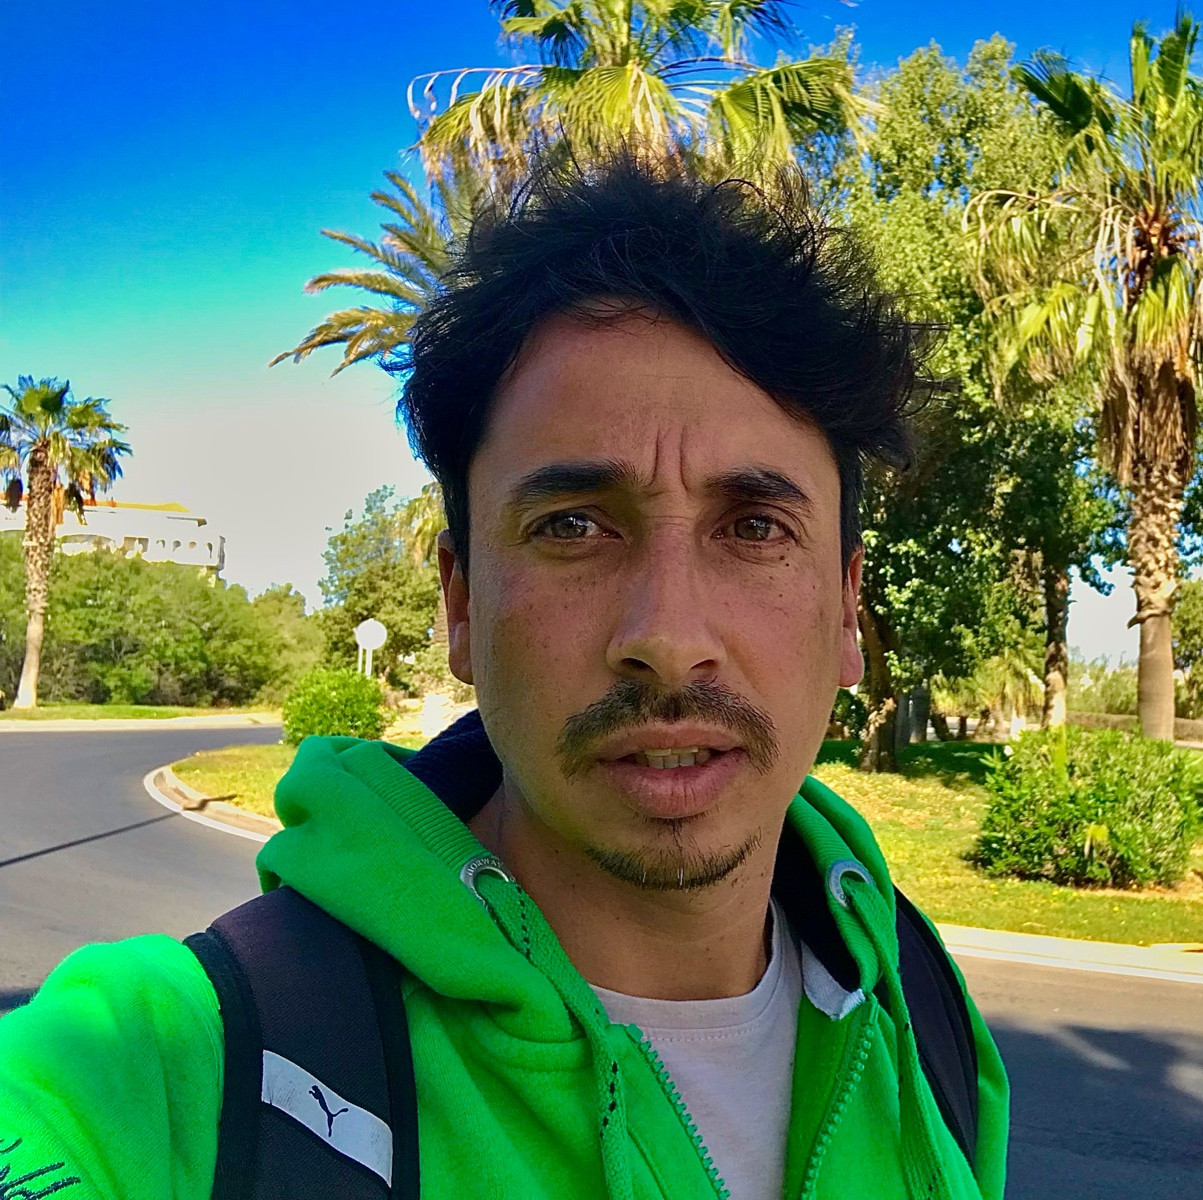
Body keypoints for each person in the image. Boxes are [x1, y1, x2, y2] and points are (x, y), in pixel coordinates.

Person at [0, 152, 1009, 1200]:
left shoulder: (921, 1011)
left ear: (845, 608)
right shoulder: (178, 1072)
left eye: (754, 527)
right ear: (462, 604)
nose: (668, 639)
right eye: (572, 526)